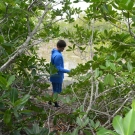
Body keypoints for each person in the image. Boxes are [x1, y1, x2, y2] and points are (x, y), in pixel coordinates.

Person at [49, 40, 70, 107]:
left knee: (55, 89)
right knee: (57, 90)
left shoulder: (54, 52)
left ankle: (50, 101)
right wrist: (69, 71)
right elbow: (58, 68)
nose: (63, 49)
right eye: (62, 48)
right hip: (57, 76)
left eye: (64, 48)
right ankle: (55, 103)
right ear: (58, 46)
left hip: (53, 75)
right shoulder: (58, 55)